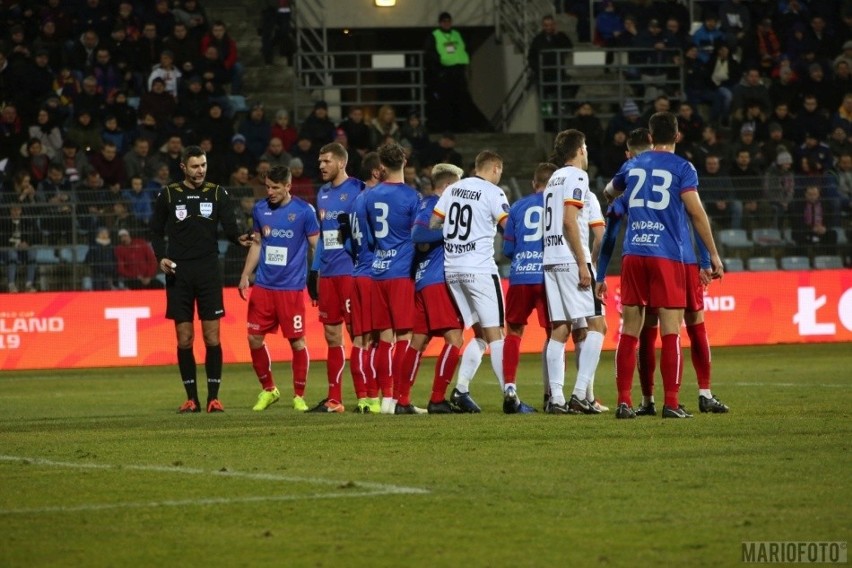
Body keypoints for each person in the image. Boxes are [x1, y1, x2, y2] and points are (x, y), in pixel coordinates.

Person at [596, 130, 729, 417]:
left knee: (637, 329)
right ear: (678, 135)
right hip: (676, 258)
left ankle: (631, 401)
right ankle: (677, 399)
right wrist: (708, 258)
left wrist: (600, 274)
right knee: (684, 327)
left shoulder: (630, 173)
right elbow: (695, 216)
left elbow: (609, 201)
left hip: (636, 254)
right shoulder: (681, 169)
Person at [430, 151, 535, 414]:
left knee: (478, 334)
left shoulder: (453, 189)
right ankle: (511, 395)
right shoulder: (493, 192)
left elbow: (434, 221)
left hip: (452, 270)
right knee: (496, 334)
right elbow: (508, 226)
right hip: (479, 269)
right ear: (496, 168)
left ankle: (461, 389)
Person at [148, 145, 251, 414]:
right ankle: (191, 398)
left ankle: (213, 398)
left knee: (212, 336)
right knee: (184, 338)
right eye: (195, 166)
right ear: (183, 167)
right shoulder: (169, 194)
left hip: (208, 272)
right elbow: (155, 233)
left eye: (203, 165)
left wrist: (240, 238)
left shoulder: (217, 193)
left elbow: (230, 229)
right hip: (178, 273)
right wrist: (161, 257)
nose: (200, 170)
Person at [238, 165, 319, 412]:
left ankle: (299, 396)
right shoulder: (260, 209)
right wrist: (245, 275)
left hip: (291, 289)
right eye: (267, 187)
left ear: (288, 186)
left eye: (275, 187)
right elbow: (258, 244)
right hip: (263, 286)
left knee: (297, 342)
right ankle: (269, 390)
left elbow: (316, 246)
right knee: (253, 338)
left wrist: (317, 281)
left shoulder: (305, 211)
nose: (270, 192)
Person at [540, 130, 606, 414]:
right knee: (598, 327)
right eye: (586, 146)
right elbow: (569, 221)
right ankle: (580, 394)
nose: (587, 152)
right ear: (579, 149)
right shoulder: (577, 177)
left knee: (560, 329)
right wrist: (583, 263)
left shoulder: (553, 179)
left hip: (550, 258)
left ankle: (556, 398)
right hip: (569, 259)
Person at [363, 142, 422, 414]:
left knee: (383, 338)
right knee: (404, 337)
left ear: (381, 167)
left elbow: (368, 237)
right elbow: (418, 238)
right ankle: (399, 398)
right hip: (401, 272)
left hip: (377, 270)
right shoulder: (412, 197)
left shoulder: (370, 196)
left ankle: (386, 398)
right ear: (405, 162)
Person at [404, 163, 466, 414]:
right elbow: (418, 234)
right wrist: (452, 231)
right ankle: (437, 398)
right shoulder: (433, 204)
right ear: (449, 187)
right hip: (436, 281)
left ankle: (402, 400)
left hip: (424, 280)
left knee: (418, 341)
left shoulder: (430, 205)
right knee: (455, 339)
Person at [307, 142, 364, 413]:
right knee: (332, 335)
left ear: (341, 162)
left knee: (359, 334)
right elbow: (323, 236)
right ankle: (335, 399)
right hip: (328, 274)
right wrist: (314, 271)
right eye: (320, 161)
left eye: (326, 161)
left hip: (351, 272)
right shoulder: (322, 194)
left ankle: (367, 396)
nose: (321, 166)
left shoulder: (358, 189)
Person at [502, 163, 554, 407]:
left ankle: (510, 387)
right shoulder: (557, 205)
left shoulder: (517, 206)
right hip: (548, 278)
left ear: (534, 184)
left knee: (513, 332)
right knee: (555, 335)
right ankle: (551, 394)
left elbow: (508, 249)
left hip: (521, 275)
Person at [344, 152, 381, 414]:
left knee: (359, 339)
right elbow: (378, 238)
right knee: (378, 339)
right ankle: (376, 397)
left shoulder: (355, 201)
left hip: (357, 272)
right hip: (373, 274)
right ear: (377, 172)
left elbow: (348, 243)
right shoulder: (376, 200)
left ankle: (362, 398)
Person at [423, 11, 491, 133]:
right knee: (446, 101)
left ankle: (463, 126)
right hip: (444, 73)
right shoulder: (435, 35)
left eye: (448, 21)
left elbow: (464, 49)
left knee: (462, 100)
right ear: (440, 23)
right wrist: (438, 70)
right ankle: (446, 127)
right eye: (444, 21)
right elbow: (430, 54)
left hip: (458, 71)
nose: (447, 24)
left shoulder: (456, 34)